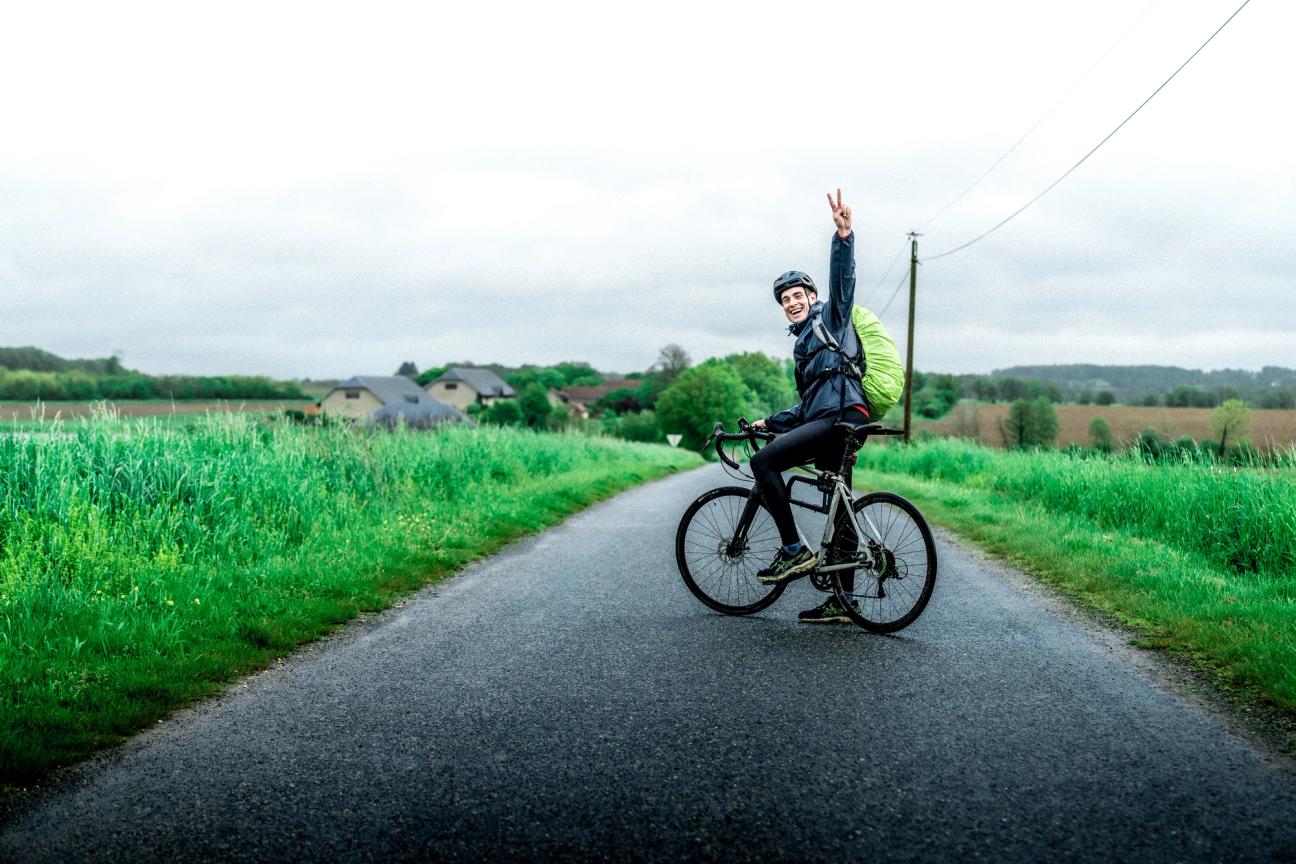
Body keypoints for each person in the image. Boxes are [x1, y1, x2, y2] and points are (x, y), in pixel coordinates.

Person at [750, 188, 870, 624]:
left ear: (811, 296)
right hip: (835, 417)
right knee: (840, 504)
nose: (792, 302)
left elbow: (844, 284)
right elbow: (805, 409)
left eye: (798, 294)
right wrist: (771, 420)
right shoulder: (805, 346)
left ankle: (793, 551)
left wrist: (844, 236)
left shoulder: (830, 318)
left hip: (839, 418)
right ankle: (843, 601)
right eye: (785, 300)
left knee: (764, 464)